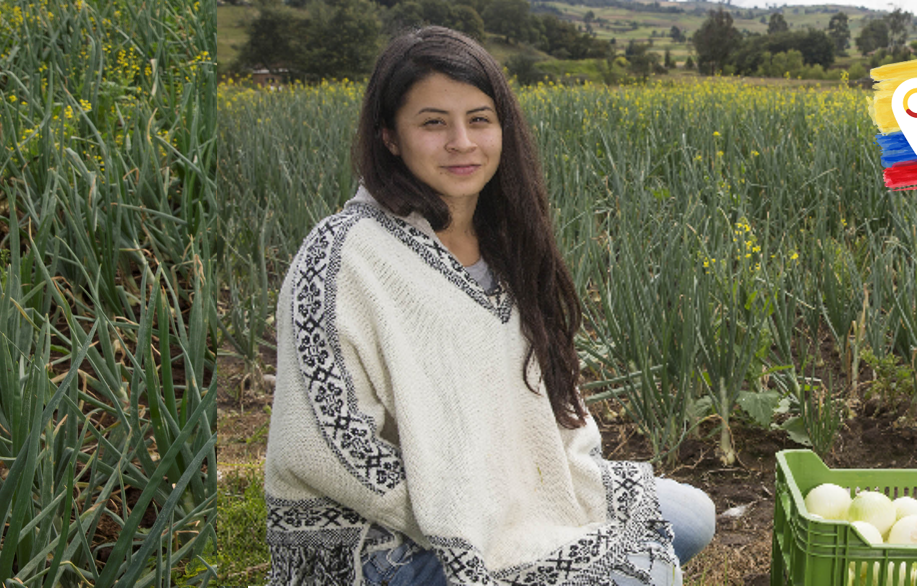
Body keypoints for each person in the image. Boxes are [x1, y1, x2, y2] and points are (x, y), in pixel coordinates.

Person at [263, 26, 714, 586]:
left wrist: (538, 490)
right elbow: (323, 448)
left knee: (691, 516)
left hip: (508, 494)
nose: (462, 142)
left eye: (479, 119)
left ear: (504, 128)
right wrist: (473, 509)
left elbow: (544, 397)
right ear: (389, 137)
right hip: (378, 539)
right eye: (433, 122)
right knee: (635, 575)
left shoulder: (507, 242)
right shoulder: (341, 256)